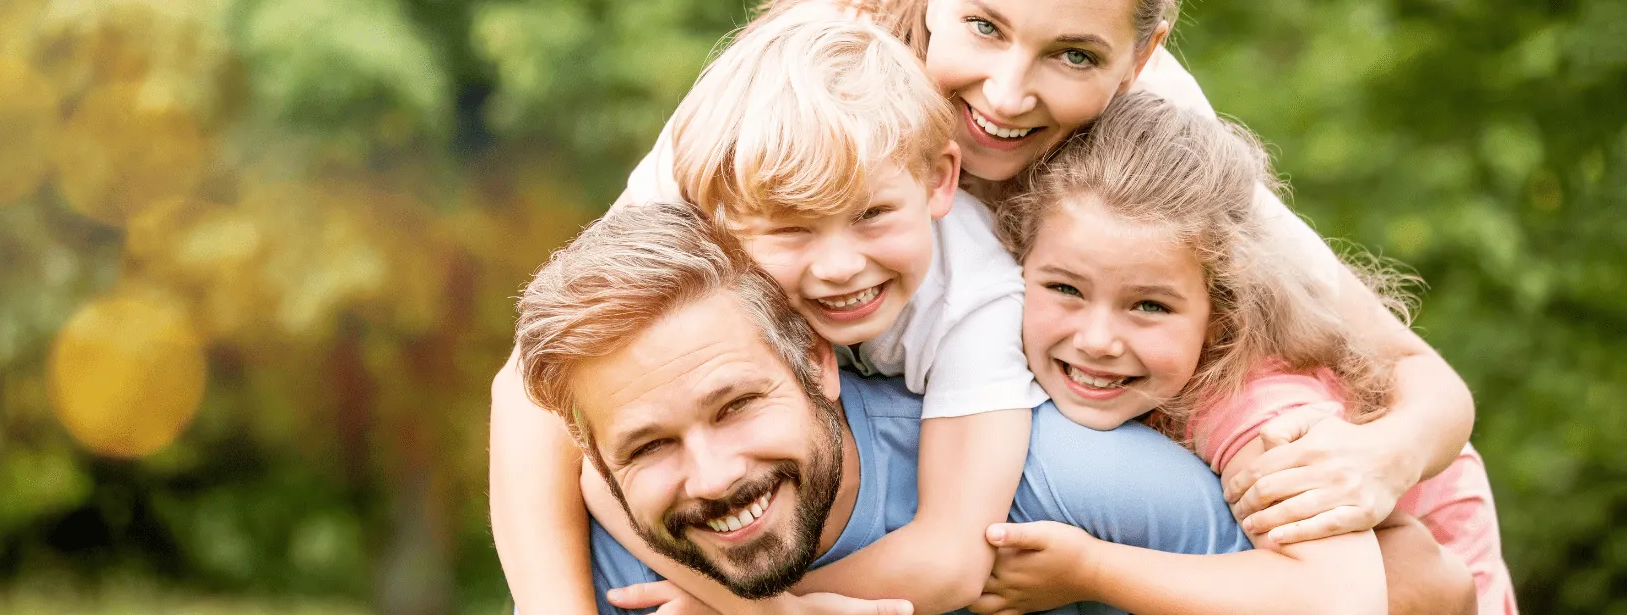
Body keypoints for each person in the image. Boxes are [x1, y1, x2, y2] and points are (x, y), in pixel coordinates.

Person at [495, 0, 1479, 610]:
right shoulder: (782, 109)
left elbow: (1415, 387)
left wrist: (1381, 459)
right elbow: (547, 385)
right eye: (985, 26)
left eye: (1074, 56)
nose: (1008, 91)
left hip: (1311, 450)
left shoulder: (1156, 160)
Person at [501, 15, 1042, 614]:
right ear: (722, 221)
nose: (839, 266)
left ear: (940, 181)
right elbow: (587, 457)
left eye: (872, 215)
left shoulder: (977, 300)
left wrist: (759, 609)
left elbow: (950, 562)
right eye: (792, 230)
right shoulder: (708, 217)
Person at [515, 198, 1262, 615]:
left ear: (815, 358)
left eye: (736, 404)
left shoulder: (1060, 480)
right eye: (648, 446)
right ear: (597, 460)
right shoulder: (598, 577)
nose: (711, 476)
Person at [964, 92, 1507, 615]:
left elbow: (1332, 600)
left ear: (1220, 312)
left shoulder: (1259, 409)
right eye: (1065, 289)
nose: (1097, 340)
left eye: (1149, 306)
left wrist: (1090, 570)